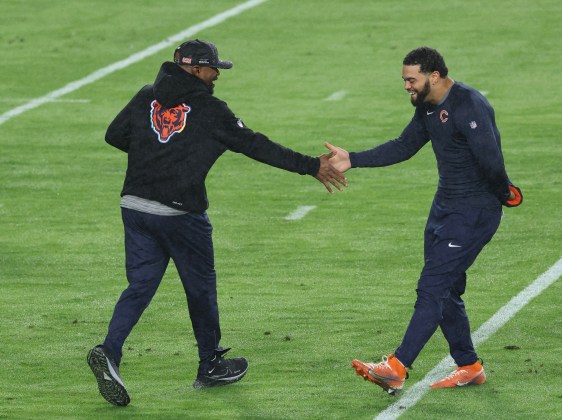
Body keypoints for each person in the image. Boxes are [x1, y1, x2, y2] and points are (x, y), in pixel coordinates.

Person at [87, 39, 347, 406]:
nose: (217, 75)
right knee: (200, 289)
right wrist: (310, 165)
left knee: (140, 285)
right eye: (213, 69)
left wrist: (158, 153)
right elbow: (255, 144)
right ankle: (209, 365)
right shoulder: (209, 109)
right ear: (194, 69)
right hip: (180, 214)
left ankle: (110, 352)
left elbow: (114, 135)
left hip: (135, 205)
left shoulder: (147, 95)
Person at [326, 46, 522, 395]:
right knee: (445, 291)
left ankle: (397, 366)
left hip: (473, 213)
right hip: (444, 210)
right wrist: (352, 159)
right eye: (405, 80)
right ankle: (469, 367)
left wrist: (505, 192)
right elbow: (404, 146)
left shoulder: (469, 105)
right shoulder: (428, 108)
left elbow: (491, 159)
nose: (407, 86)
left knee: (431, 286)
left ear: (434, 76)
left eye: (411, 80)